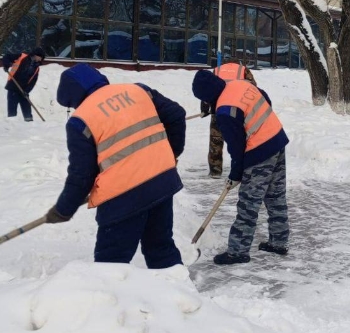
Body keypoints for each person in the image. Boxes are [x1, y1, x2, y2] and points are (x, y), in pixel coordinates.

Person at [44, 63, 186, 269]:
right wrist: (171, 153)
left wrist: (64, 209)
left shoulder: (81, 120)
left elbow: (81, 175)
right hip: (161, 183)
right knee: (161, 247)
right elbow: (177, 115)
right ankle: (181, 297)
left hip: (123, 197)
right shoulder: (139, 90)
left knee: (110, 263)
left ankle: (109, 300)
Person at [192, 69, 290, 265]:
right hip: (277, 139)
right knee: (275, 196)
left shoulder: (225, 112)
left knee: (248, 203)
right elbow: (265, 99)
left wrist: (236, 174)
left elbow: (237, 148)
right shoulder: (239, 84)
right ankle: (279, 241)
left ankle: (238, 251)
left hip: (260, 152)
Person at [201, 60, 257, 178]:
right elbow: (253, 88)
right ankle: (242, 167)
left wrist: (205, 108)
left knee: (215, 140)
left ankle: (215, 170)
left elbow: (207, 89)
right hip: (238, 110)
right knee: (239, 139)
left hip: (218, 109)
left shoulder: (217, 70)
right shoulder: (243, 70)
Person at [3, 47, 45, 121]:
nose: (40, 59)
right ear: (36, 55)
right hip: (13, 86)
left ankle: (29, 122)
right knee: (12, 107)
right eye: (40, 57)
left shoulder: (36, 68)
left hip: (23, 89)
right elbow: (7, 56)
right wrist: (6, 65)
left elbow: (33, 82)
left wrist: (27, 91)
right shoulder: (21, 57)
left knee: (26, 106)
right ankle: (12, 123)